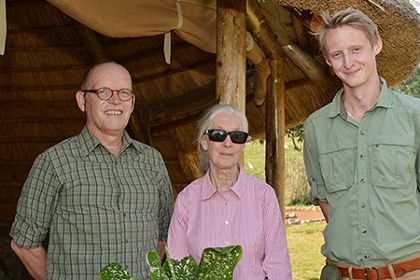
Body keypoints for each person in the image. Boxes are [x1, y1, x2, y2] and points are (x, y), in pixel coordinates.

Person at [9, 61, 174, 280]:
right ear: (82, 100)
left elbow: (165, 233)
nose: (115, 100)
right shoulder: (54, 162)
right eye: (103, 91)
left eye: (124, 92)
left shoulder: (152, 160)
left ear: (132, 103)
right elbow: (23, 243)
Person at [303, 7, 420, 280]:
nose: (348, 62)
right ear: (327, 60)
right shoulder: (316, 127)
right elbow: (326, 203)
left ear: (376, 45)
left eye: (356, 49)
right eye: (337, 54)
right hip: (343, 273)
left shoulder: (415, 116)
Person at [167, 104, 292, 279]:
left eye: (237, 136)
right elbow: (178, 271)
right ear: (204, 142)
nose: (228, 143)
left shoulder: (264, 196)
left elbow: (278, 268)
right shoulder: (186, 200)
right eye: (218, 135)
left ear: (244, 144)